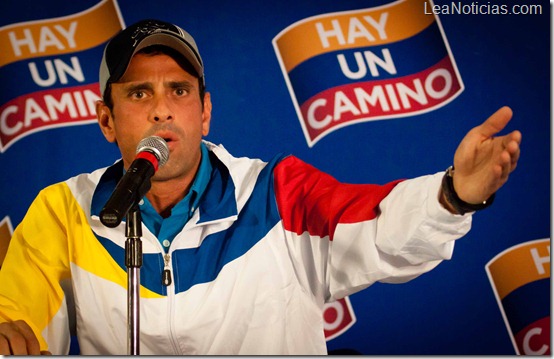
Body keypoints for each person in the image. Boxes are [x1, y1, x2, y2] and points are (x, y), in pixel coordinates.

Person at [0, 19, 521, 355]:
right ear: (107, 122)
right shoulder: (63, 212)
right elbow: (15, 322)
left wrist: (452, 195)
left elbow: (380, 226)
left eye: (179, 90)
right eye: (139, 93)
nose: (161, 109)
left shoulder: (278, 192)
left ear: (204, 112)